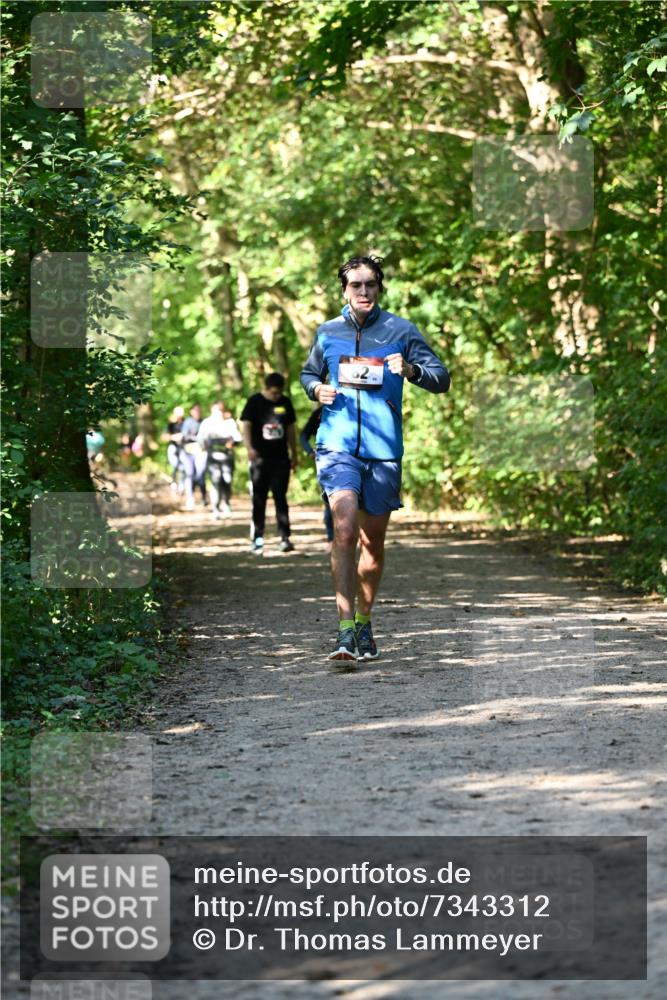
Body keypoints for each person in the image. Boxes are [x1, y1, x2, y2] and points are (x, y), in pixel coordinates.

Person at [300, 254, 450, 661]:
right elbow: (308, 374)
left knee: (373, 543)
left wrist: (413, 370)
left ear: (379, 288)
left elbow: (442, 379)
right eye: (355, 285)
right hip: (337, 445)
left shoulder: (400, 330)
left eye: (370, 284)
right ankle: (345, 630)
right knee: (344, 529)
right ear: (344, 290)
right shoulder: (328, 332)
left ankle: (365, 621)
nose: (363, 291)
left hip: (383, 451)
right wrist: (317, 391)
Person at [240, 372, 298, 554]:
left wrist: (294, 453)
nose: (277, 396)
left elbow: (290, 429)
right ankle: (257, 538)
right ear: (265, 388)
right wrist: (249, 447)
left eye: (279, 392)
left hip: (280, 459)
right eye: (273, 393)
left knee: (281, 497)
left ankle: (285, 537)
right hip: (260, 460)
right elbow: (246, 426)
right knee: (259, 499)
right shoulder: (254, 402)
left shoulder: (285, 402)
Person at [197, 401, 242, 519]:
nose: (219, 414)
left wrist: (233, 443)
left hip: (227, 456)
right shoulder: (206, 423)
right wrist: (203, 445)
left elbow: (238, 437)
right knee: (215, 480)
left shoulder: (230, 423)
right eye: (216, 411)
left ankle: (226, 502)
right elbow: (200, 438)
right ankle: (215, 508)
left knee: (227, 480)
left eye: (220, 411)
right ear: (212, 411)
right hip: (212, 457)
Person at [300, 406, 334, 553]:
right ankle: (332, 539)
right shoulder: (320, 412)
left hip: (356, 460)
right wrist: (309, 451)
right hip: (327, 461)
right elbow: (303, 435)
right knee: (330, 502)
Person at [180, 403, 207, 510]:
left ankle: (204, 498)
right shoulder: (187, 422)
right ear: (191, 412)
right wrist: (196, 439)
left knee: (200, 475)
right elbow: (184, 436)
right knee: (189, 474)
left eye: (199, 411)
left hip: (200, 452)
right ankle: (190, 498)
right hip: (188, 452)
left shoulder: (204, 422)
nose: (198, 413)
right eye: (196, 411)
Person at [161, 405, 185, 494]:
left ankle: (182, 485)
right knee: (175, 466)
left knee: (183, 467)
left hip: (184, 448)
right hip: (173, 447)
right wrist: (173, 437)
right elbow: (163, 436)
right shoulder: (171, 424)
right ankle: (174, 484)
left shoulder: (186, 422)